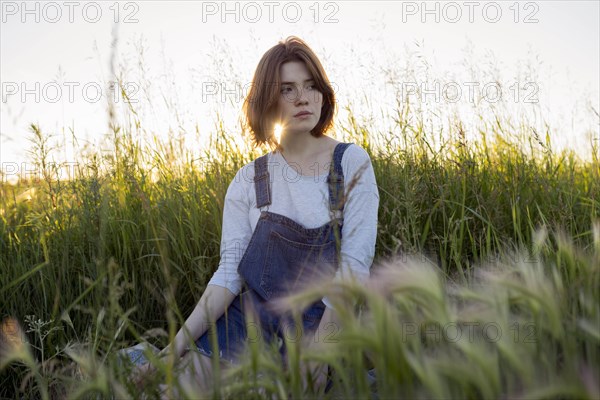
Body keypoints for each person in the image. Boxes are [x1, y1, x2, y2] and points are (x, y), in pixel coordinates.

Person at [132, 36, 379, 395]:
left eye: (312, 86)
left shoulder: (351, 163)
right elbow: (227, 276)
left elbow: (354, 266)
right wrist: (172, 353)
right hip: (246, 325)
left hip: (322, 326)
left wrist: (318, 353)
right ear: (267, 101)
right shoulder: (249, 180)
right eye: (287, 89)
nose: (303, 98)